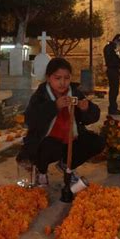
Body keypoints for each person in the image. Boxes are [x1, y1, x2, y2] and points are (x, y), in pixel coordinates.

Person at [16, 57, 104, 186]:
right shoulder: (41, 95)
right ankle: (41, 171)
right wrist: (54, 106)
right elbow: (31, 119)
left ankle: (66, 165)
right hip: (45, 140)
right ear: (48, 78)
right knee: (50, 146)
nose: (62, 83)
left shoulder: (74, 93)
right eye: (57, 78)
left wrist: (87, 109)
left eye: (66, 78)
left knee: (97, 142)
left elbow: (91, 118)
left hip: (70, 138)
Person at [104, 34, 120, 115]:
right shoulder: (109, 48)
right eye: (119, 43)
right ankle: (112, 109)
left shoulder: (112, 48)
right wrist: (119, 61)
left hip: (114, 70)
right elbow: (110, 60)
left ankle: (113, 108)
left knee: (115, 91)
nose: (119, 45)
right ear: (117, 40)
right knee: (113, 91)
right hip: (112, 70)